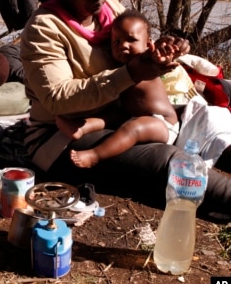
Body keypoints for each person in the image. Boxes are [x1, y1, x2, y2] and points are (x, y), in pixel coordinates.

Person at [20, 0, 231, 220]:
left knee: (211, 132)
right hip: (61, 134)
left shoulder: (111, 10)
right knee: (166, 161)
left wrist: (164, 52)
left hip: (121, 115)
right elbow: (57, 99)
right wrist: (130, 73)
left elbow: (139, 49)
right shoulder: (44, 28)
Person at [56, 9, 179, 168]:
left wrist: (164, 54)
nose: (123, 46)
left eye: (131, 40)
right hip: (130, 114)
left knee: (133, 128)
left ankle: (95, 155)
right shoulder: (119, 68)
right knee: (111, 116)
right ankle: (81, 127)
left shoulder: (146, 62)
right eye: (117, 42)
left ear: (148, 44)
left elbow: (158, 59)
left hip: (163, 124)